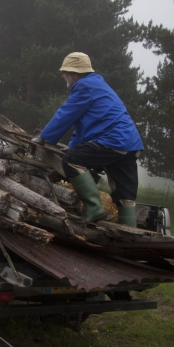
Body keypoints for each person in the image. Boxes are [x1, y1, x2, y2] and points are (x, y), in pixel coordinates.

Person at [32, 52, 144, 227]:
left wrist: (45, 137)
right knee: (124, 191)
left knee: (72, 161)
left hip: (113, 140)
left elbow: (66, 113)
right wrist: (71, 146)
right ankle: (130, 230)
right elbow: (81, 125)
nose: (63, 76)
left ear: (75, 74)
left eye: (65, 72)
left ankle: (95, 208)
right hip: (130, 143)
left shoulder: (84, 86)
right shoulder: (98, 85)